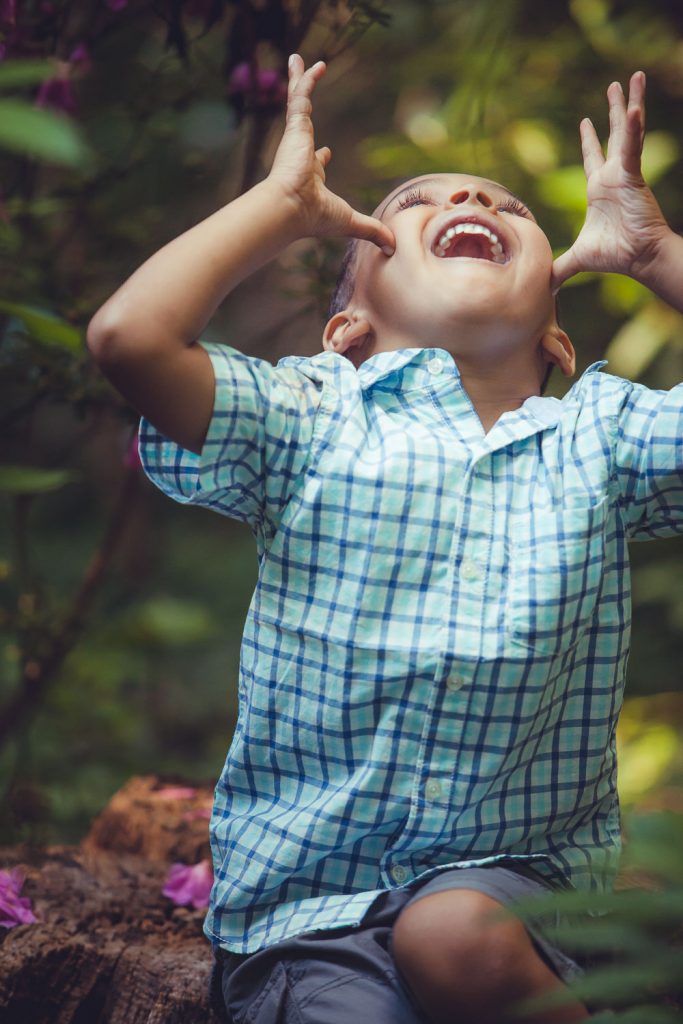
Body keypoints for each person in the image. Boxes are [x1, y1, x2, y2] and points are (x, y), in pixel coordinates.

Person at [86, 53, 683, 1024]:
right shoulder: (305, 415)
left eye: (510, 206)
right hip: (309, 917)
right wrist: (278, 206)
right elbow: (127, 339)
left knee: (451, 933)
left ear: (555, 344)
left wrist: (653, 251)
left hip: (514, 893)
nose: (468, 195)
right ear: (347, 326)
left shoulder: (599, 437)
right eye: (417, 203)